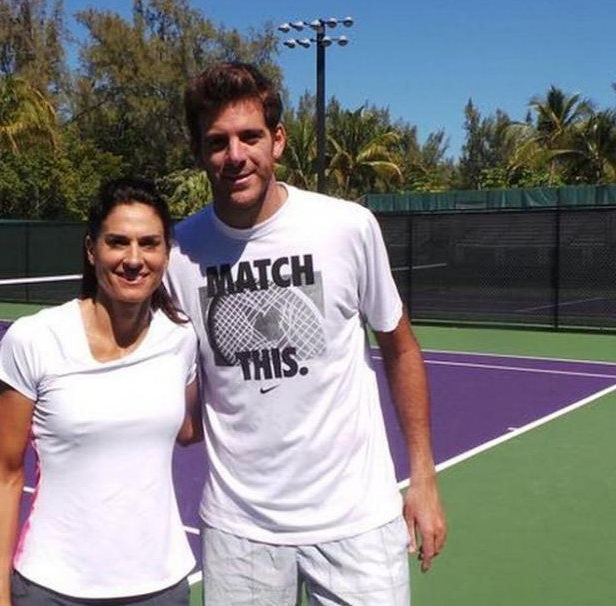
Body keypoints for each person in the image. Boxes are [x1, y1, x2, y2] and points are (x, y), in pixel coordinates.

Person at [164, 62, 447, 605]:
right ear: (199, 151)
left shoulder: (348, 227)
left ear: (278, 140)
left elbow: (400, 346)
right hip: (239, 532)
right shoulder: (178, 255)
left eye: (250, 136)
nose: (235, 155)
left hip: (358, 523)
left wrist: (424, 478)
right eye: (217, 141)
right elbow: (183, 403)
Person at [0, 178, 202, 606]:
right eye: (117, 242)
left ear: (166, 252)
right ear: (91, 250)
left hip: (161, 588)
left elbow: (189, 428)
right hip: (52, 588)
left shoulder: (180, 338)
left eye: (149, 243)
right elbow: (3, 472)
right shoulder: (34, 338)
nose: (134, 259)